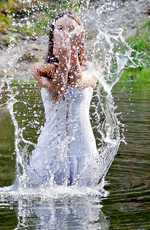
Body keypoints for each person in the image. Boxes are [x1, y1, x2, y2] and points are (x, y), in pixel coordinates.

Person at [27, 11, 98, 187]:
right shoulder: (40, 69)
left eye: (71, 29)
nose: (66, 33)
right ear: (52, 36)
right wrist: (65, 57)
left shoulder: (92, 71)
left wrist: (70, 53)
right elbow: (58, 88)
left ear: (80, 35)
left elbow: (75, 81)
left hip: (83, 151)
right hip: (49, 150)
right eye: (60, 28)